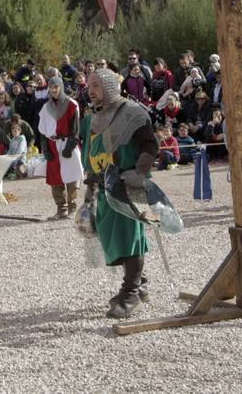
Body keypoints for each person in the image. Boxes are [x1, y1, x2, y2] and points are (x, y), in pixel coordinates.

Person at [81, 68, 158, 319]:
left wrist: (140, 170)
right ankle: (139, 279)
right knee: (109, 235)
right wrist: (90, 189)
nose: (90, 91)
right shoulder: (92, 119)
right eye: (89, 86)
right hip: (105, 187)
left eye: (95, 85)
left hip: (127, 184)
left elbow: (150, 145)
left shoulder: (132, 113)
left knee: (130, 236)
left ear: (109, 87)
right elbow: (92, 156)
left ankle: (130, 291)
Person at [37, 75, 81, 219]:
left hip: (67, 142)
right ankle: (61, 209)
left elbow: (75, 129)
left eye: (56, 87)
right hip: (52, 144)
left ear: (61, 87)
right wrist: (45, 148)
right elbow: (43, 131)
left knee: (71, 176)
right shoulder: (45, 108)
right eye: (51, 87)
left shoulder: (71, 104)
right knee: (55, 178)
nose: (54, 90)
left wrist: (70, 146)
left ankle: (72, 208)